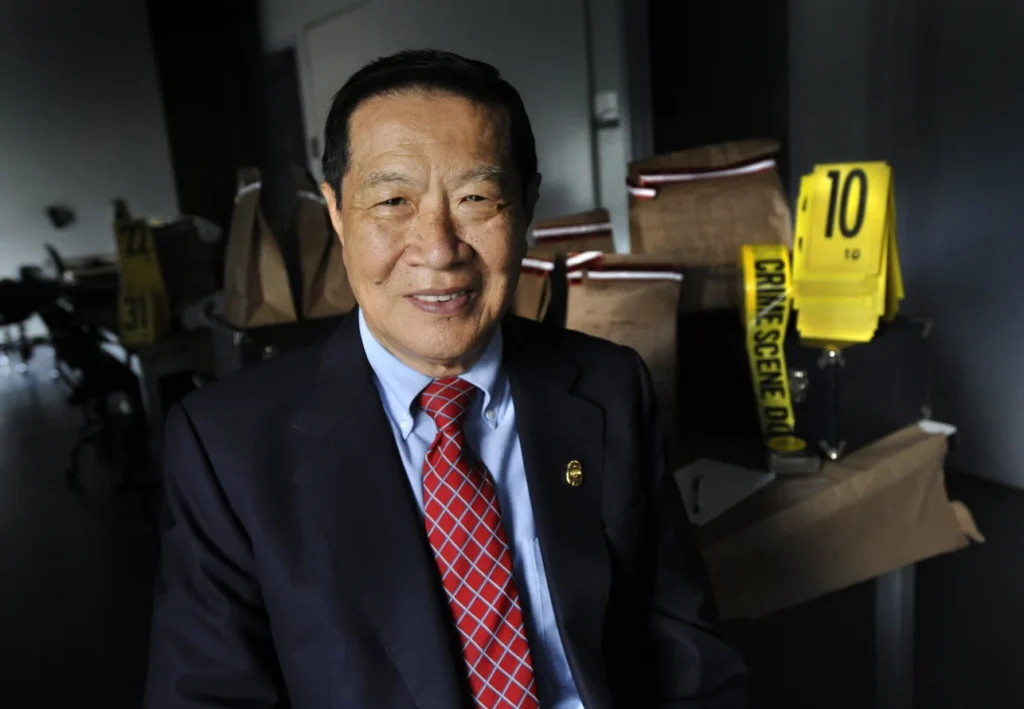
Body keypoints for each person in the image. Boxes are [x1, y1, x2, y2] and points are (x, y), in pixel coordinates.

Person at [145, 49, 746, 709]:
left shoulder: (609, 386)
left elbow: (689, 657)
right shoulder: (225, 447)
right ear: (337, 213)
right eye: (393, 201)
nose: (438, 249)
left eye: (476, 199)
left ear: (527, 207)